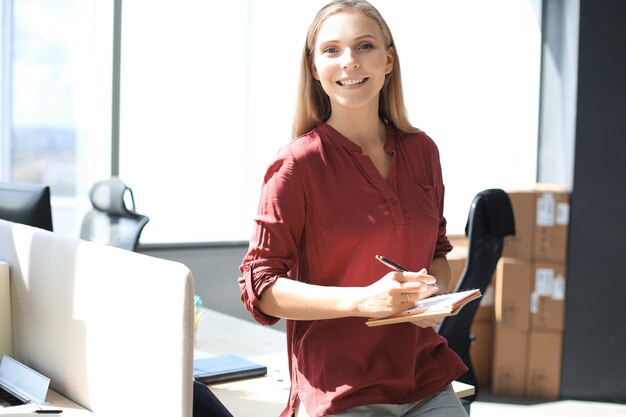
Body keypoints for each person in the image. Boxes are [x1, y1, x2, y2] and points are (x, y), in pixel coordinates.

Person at [239, 1, 468, 416]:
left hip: (425, 377)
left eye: (364, 46)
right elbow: (260, 286)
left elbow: (437, 254)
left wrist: (429, 295)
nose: (349, 62)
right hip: (341, 390)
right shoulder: (297, 164)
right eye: (331, 50)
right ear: (313, 67)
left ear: (388, 60)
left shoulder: (423, 152)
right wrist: (362, 301)